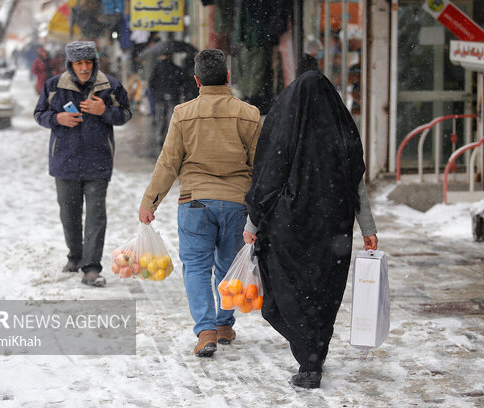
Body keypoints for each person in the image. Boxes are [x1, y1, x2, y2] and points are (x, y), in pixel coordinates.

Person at [243, 70, 378, 389]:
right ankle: (314, 354)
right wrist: (368, 228)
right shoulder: (341, 129)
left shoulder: (286, 127)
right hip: (333, 231)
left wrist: (252, 222)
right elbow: (355, 182)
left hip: (290, 230)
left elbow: (268, 179)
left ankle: (309, 359)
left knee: (290, 295)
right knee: (323, 293)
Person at [138, 49, 262, 357]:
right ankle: (223, 324)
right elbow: (262, 166)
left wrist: (150, 202)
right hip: (237, 204)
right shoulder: (249, 113)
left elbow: (168, 162)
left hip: (194, 203)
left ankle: (206, 331)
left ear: (196, 80)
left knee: (195, 267)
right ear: (228, 77)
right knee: (227, 265)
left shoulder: (183, 113)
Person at [34, 41, 132, 287]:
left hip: (98, 162)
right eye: (79, 63)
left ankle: (91, 267)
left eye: (88, 62)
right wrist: (57, 118)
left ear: (95, 62)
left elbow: (126, 114)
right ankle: (75, 256)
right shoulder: (54, 86)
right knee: (69, 214)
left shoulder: (110, 86)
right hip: (64, 162)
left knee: (96, 215)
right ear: (71, 65)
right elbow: (39, 114)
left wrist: (104, 111)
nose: (85, 67)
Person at [148, 53, 190, 148]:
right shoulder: (176, 68)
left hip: (160, 97)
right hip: (173, 96)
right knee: (172, 118)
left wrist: (156, 93)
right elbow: (182, 81)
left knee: (161, 118)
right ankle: (171, 138)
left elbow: (151, 82)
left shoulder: (156, 67)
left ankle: (160, 137)